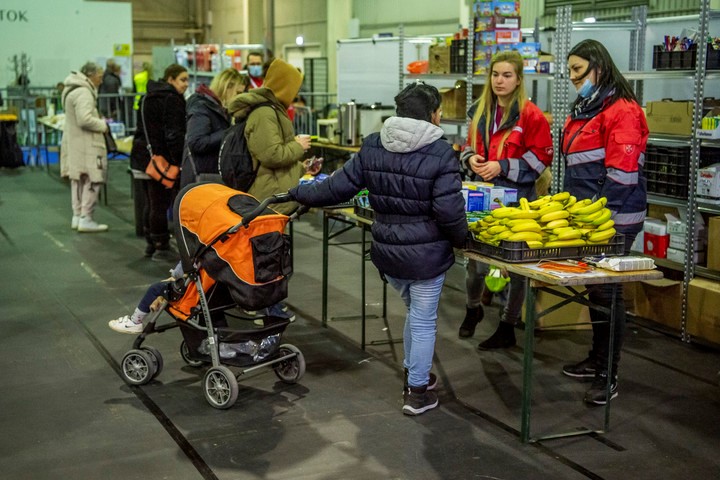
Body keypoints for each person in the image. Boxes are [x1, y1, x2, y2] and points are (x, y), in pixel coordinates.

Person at [288, 82, 467, 416]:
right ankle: (416, 393)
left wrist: (299, 193)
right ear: (432, 114)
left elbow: (335, 189)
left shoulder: (372, 145)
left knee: (414, 313)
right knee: (424, 320)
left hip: (387, 252)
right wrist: (462, 240)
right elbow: (449, 211)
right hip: (426, 255)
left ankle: (417, 376)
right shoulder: (440, 151)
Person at [560, 39, 648, 405]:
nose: (573, 78)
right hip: (589, 218)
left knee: (608, 293)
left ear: (599, 66)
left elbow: (622, 176)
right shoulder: (585, 108)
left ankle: (607, 373)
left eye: (578, 70)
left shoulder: (623, 111)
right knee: (597, 291)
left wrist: (600, 220)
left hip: (614, 219)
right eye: (569, 72)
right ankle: (596, 359)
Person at [458, 51, 553, 348]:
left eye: (507, 75)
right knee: (474, 263)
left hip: (516, 201)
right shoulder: (478, 110)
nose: (499, 81)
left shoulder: (531, 115)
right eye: (495, 74)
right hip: (481, 198)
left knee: (516, 269)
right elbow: (466, 145)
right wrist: (470, 158)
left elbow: (541, 160)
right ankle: (472, 308)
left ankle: (507, 325)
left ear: (518, 79)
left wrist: (503, 166)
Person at [226, 58, 312, 321]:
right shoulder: (265, 114)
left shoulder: (271, 110)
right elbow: (271, 154)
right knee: (266, 258)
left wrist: (301, 166)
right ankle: (266, 308)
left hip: (273, 195)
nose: (296, 94)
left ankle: (268, 306)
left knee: (270, 256)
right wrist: (298, 146)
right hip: (267, 198)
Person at [130, 64, 189, 261]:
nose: (186, 85)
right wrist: (178, 160)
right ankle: (161, 244)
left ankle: (151, 243)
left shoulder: (148, 96)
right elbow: (173, 134)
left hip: (143, 156)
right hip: (161, 158)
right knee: (159, 203)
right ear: (170, 79)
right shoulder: (171, 99)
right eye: (183, 79)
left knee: (150, 201)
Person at [60, 62, 111, 233]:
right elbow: (84, 119)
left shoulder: (72, 89)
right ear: (91, 75)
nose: (101, 80)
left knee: (77, 180)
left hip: (75, 143)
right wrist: (103, 125)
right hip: (87, 144)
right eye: (99, 76)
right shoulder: (84, 92)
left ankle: (78, 216)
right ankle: (86, 217)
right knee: (92, 179)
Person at [179, 68, 247, 188]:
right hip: (202, 178)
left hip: (211, 176)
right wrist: (230, 132)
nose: (239, 98)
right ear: (227, 87)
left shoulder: (220, 109)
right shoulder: (202, 106)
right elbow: (197, 142)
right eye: (238, 93)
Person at [108, 263, 184, 334]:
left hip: (187, 287)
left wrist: (174, 276)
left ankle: (135, 322)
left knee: (155, 288)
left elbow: (182, 270)